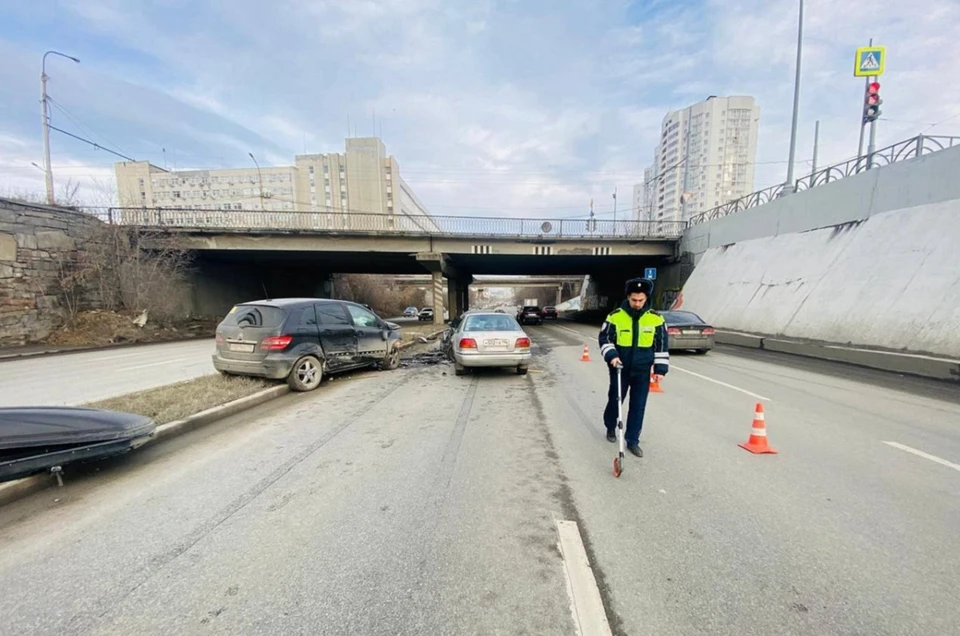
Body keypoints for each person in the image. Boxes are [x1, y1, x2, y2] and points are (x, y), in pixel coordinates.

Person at [597, 277, 669, 457]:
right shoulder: (615, 316)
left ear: (646, 298)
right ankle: (610, 426)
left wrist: (660, 370)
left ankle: (633, 440)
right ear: (628, 297)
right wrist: (612, 356)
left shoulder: (656, 319)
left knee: (638, 406)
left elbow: (661, 345)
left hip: (642, 370)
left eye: (641, 300)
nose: (637, 304)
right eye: (634, 300)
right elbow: (605, 338)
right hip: (619, 368)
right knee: (615, 400)